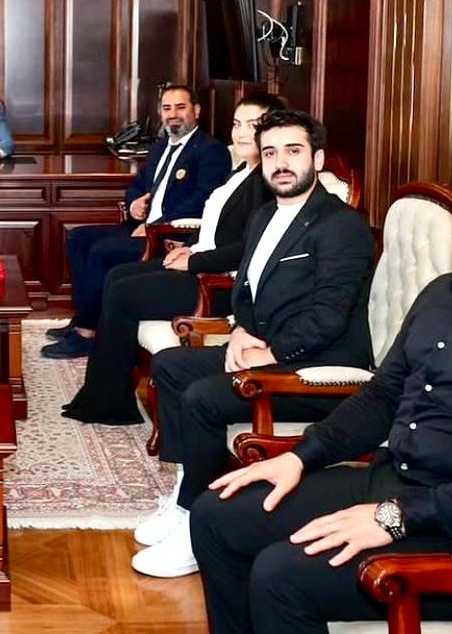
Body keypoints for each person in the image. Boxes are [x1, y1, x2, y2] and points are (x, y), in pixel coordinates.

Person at [193, 136, 452, 634]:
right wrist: (299, 457)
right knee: (217, 515)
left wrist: (395, 516)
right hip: (396, 482)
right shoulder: (442, 293)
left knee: (281, 575)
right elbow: (382, 397)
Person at [131, 110, 375, 578]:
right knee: (172, 366)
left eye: (293, 151)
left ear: (317, 159)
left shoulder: (342, 225)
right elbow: (245, 291)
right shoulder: (264, 216)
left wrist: (271, 353)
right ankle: (184, 500)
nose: (281, 163)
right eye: (270, 153)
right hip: (266, 351)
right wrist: (242, 331)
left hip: (317, 373)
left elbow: (328, 316)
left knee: (202, 397)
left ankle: (197, 529)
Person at [61, 93, 286, 424]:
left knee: (123, 292)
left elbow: (248, 248)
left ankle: (109, 403)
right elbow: (213, 226)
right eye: (237, 124)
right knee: (118, 276)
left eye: (252, 126)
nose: (240, 133)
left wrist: (193, 261)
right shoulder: (241, 171)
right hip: (201, 262)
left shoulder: (267, 183)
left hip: (220, 284)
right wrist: (189, 246)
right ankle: (104, 394)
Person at [43, 84, 231, 359]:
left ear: (197, 111)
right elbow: (137, 185)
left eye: (180, 107)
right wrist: (134, 205)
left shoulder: (211, 151)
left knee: (102, 251)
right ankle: (85, 317)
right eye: (167, 109)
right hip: (142, 227)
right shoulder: (160, 146)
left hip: (171, 237)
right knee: (77, 238)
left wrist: (156, 225)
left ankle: (87, 333)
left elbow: (203, 200)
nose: (173, 115)